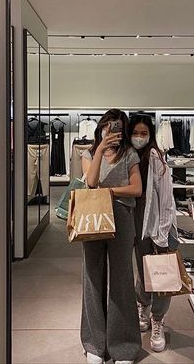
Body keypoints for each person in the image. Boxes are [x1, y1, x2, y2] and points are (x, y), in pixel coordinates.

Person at [81, 109, 142, 364]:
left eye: (116, 126)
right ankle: (94, 344)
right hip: (93, 219)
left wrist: (109, 193)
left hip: (122, 219)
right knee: (93, 278)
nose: (111, 129)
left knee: (122, 279)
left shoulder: (130, 153)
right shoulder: (88, 153)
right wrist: (99, 149)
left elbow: (136, 189)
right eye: (107, 125)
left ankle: (123, 345)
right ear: (101, 127)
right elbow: (92, 182)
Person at [129, 113, 178, 353]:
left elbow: (167, 201)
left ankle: (158, 320)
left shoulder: (156, 158)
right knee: (144, 271)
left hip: (160, 226)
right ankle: (143, 307)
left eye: (144, 133)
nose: (139, 137)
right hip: (139, 227)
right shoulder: (128, 157)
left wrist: (162, 234)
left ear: (150, 135)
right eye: (135, 133)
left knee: (163, 276)